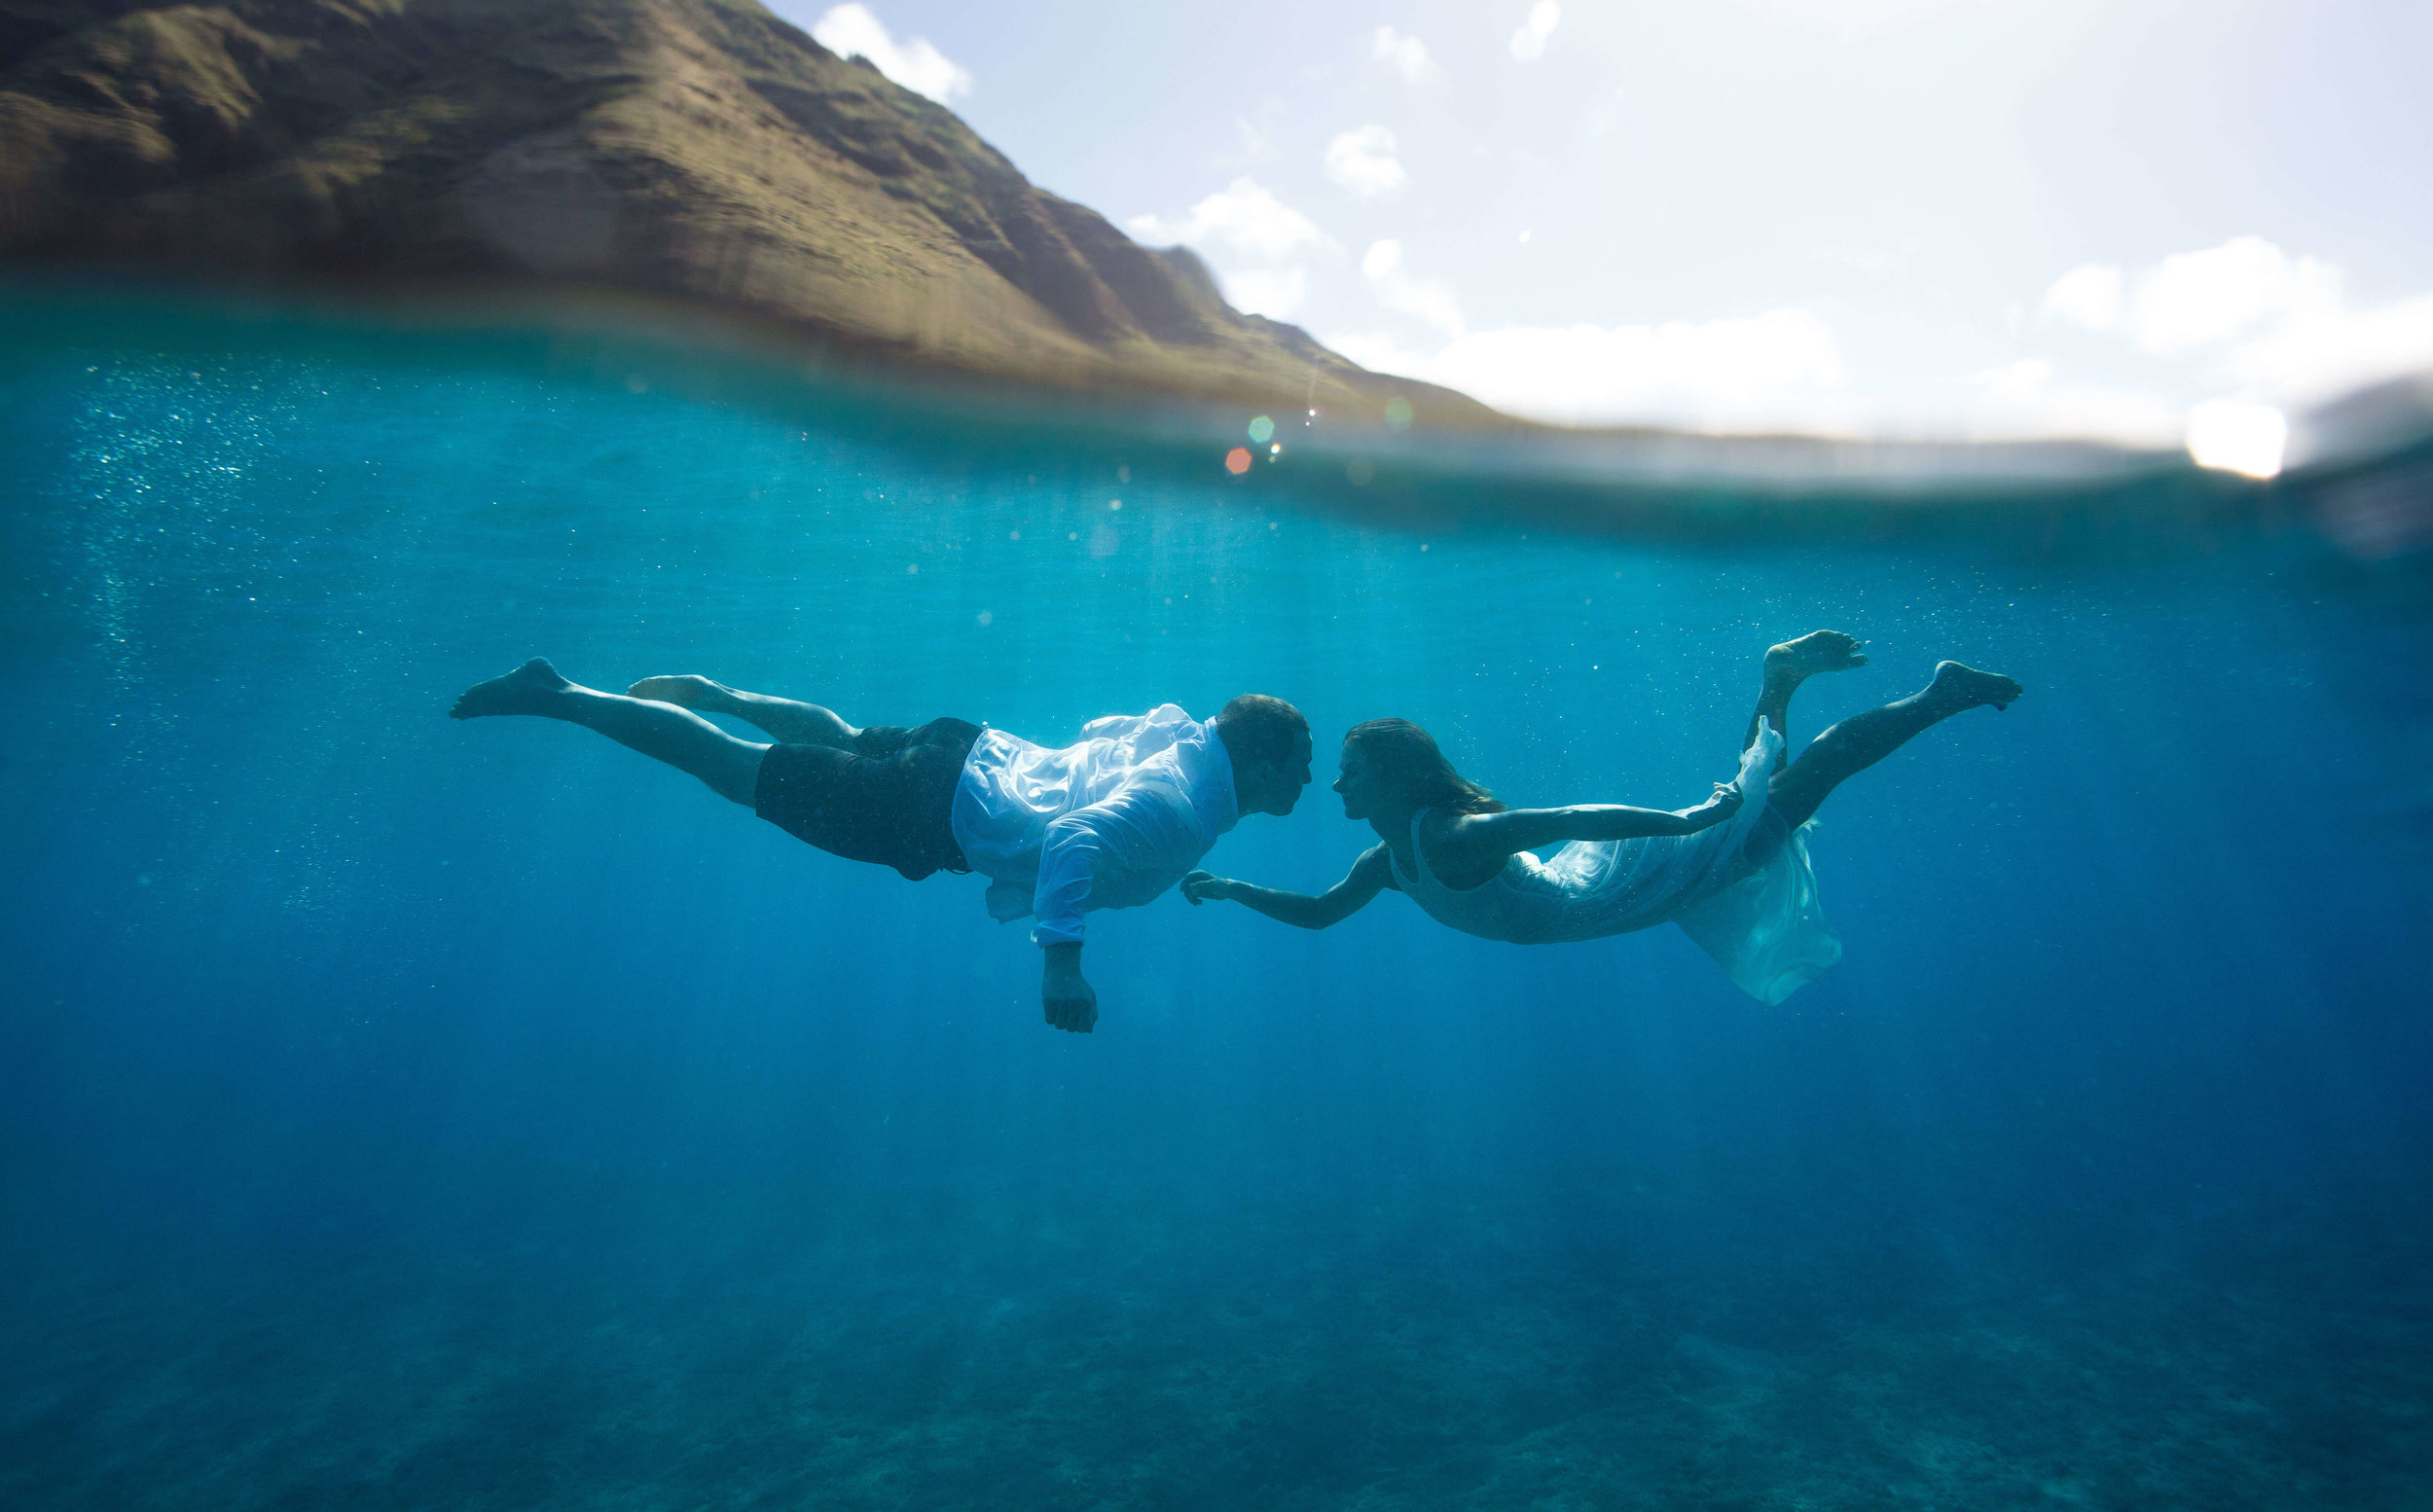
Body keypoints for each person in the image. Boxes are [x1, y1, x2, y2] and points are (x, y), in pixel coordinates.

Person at [449, 660, 1312, 1033]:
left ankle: (716, 687)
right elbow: (1083, 835)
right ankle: (557, 692)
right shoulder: (1186, 808)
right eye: (1301, 766)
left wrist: (1150, 851)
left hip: (976, 750)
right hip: (939, 810)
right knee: (733, 771)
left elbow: (1117, 733)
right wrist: (1061, 963)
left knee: (845, 732)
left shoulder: (1188, 739)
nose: (1310, 784)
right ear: (1260, 762)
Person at [1180, 633, 2021, 1004]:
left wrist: (1689, 819)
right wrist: (1226, 887)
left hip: (1631, 880)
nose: (1336, 788)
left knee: (1797, 790)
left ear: (1397, 780)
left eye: (1351, 774)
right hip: (1604, 889)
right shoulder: (1387, 859)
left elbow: (1574, 813)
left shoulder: (1449, 837)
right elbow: (1321, 913)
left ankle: (1936, 693)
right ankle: (1779, 682)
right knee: (1763, 803)